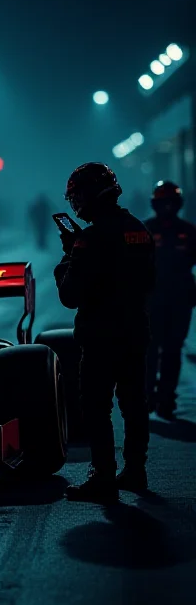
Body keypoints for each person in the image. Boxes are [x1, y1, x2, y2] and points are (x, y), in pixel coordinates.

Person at [54, 162, 155, 502]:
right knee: (134, 404)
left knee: (96, 406)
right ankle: (136, 470)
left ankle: (103, 475)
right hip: (134, 330)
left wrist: (68, 257)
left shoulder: (90, 239)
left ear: (87, 196)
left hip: (100, 336)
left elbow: (70, 295)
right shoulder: (138, 229)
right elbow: (150, 281)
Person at [144, 181, 196, 419]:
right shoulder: (144, 231)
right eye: (162, 202)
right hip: (153, 299)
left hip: (178, 300)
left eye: (170, 202)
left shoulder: (189, 231)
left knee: (172, 350)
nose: (166, 207)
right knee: (151, 350)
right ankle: (148, 396)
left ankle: (165, 398)